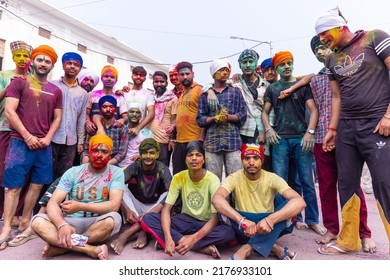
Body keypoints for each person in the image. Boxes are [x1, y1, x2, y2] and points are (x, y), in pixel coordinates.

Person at [315, 7, 390, 255]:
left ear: (340, 27)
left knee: (384, 182)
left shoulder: (374, 38)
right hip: (347, 127)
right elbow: (337, 97)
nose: (323, 39)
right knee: (346, 183)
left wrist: (389, 115)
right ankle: (348, 240)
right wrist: (333, 129)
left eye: (325, 33)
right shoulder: (331, 59)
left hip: (377, 124)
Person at [309, 35, 375, 250]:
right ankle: (332, 229)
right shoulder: (315, 80)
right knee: (326, 187)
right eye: (316, 49)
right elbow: (316, 110)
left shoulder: (350, 71)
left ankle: (363, 232)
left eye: (323, 47)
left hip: (347, 136)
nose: (320, 52)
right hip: (322, 138)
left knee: (351, 185)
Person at [0, 45, 62, 250]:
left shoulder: (56, 90)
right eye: (40, 59)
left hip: (43, 146)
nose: (43, 64)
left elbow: (57, 118)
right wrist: (27, 137)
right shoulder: (19, 83)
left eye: (47, 61)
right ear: (33, 61)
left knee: (36, 185)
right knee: (13, 187)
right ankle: (6, 228)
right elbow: (9, 111)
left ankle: (25, 222)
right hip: (20, 143)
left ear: (52, 65)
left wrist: (48, 137)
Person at [31, 134, 125, 260]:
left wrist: (80, 206)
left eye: (104, 151)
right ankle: (89, 249)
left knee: (113, 219)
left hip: (97, 223)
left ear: (110, 155)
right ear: (89, 152)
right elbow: (53, 202)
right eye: (95, 150)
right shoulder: (73, 172)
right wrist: (62, 225)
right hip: (69, 222)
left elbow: (114, 205)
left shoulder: (116, 173)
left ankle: (62, 247)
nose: (99, 155)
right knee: (37, 221)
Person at [261, 51, 324, 236]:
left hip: (301, 138)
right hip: (279, 139)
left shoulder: (302, 86)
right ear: (277, 68)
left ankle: (313, 220)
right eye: (282, 64)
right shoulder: (273, 89)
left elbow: (314, 110)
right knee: (281, 182)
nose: (286, 67)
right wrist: (268, 129)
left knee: (307, 180)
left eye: (289, 63)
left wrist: (310, 133)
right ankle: (290, 218)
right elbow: (264, 112)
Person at [141, 141, 235, 259]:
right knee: (149, 218)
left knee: (228, 233)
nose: (194, 159)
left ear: (204, 160)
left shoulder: (213, 180)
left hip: (205, 222)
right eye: (190, 155)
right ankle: (193, 245)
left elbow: (215, 217)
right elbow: (166, 209)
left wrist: (193, 238)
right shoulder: (179, 177)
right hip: (184, 220)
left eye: (198, 155)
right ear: (185, 159)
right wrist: (168, 237)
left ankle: (180, 242)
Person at [212, 144, 306, 260]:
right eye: (247, 158)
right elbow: (216, 198)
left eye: (255, 158)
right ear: (242, 161)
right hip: (243, 224)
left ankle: (246, 248)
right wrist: (241, 220)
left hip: (268, 225)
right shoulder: (234, 177)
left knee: (291, 207)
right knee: (221, 210)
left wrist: (270, 220)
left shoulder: (272, 178)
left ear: (261, 161)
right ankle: (272, 246)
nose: (251, 162)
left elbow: (300, 202)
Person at [110, 138, 172, 254]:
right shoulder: (135, 166)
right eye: (144, 153)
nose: (148, 156)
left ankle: (128, 233)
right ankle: (144, 227)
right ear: (140, 154)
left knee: (170, 194)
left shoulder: (162, 168)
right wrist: (126, 209)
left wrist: (151, 213)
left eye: (152, 153)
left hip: (155, 208)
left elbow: (172, 194)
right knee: (118, 187)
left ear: (157, 154)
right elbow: (116, 185)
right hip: (136, 207)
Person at [197, 58, 247, 181]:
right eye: (221, 70)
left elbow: (243, 114)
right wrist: (214, 119)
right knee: (213, 181)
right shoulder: (205, 95)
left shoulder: (236, 92)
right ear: (213, 73)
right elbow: (200, 119)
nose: (225, 73)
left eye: (226, 70)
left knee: (235, 181)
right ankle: (216, 201)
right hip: (212, 144)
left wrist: (228, 117)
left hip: (233, 143)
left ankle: (234, 201)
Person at [0, 40, 32, 223]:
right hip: (4, 128)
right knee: (2, 171)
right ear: (13, 58)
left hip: (24, 132)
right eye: (18, 56)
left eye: (25, 56)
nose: (22, 59)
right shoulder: (4, 75)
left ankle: (15, 215)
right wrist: (9, 86)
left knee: (22, 172)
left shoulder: (34, 79)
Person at [50, 52, 88, 179]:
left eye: (76, 64)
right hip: (51, 138)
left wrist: (80, 141)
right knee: (45, 173)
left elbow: (81, 119)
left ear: (80, 69)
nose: (72, 66)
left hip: (71, 141)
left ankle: (58, 199)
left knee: (63, 176)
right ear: (63, 65)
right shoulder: (52, 86)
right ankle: (41, 199)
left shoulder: (83, 93)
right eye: (69, 63)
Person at [171, 61, 203, 175]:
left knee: (194, 176)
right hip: (180, 141)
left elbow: (205, 114)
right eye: (182, 74)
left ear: (193, 74)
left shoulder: (199, 90)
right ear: (178, 77)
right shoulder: (181, 94)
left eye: (187, 74)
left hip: (194, 140)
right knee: (178, 176)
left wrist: (201, 139)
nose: (185, 76)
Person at [82, 95, 128, 166]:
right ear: (100, 108)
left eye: (111, 106)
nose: (108, 109)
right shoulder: (94, 126)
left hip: (111, 163)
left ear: (115, 108)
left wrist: (105, 165)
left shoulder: (122, 128)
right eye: (105, 107)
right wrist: (85, 162)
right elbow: (86, 149)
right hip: (93, 162)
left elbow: (122, 153)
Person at [234, 49, 268, 145]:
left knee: (264, 159)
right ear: (240, 65)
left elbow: (271, 112)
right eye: (244, 62)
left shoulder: (266, 85)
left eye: (251, 61)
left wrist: (265, 132)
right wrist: (210, 91)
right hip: (243, 131)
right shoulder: (235, 85)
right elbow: (214, 85)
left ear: (256, 63)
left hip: (263, 129)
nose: (248, 65)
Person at [86, 65, 128, 135]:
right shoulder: (92, 95)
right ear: (101, 79)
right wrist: (87, 122)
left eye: (112, 77)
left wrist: (122, 120)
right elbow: (86, 113)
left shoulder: (120, 98)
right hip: (93, 133)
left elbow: (126, 117)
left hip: (113, 135)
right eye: (106, 76)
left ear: (116, 80)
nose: (109, 79)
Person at [147, 71, 177, 166]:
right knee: (147, 171)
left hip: (163, 142)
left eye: (162, 81)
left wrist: (172, 140)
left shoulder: (173, 99)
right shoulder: (150, 97)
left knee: (161, 171)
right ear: (153, 83)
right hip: (148, 139)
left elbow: (174, 120)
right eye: (156, 82)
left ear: (166, 83)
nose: (159, 84)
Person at [119, 102, 154, 168]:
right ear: (127, 114)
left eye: (138, 112)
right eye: (132, 112)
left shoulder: (147, 133)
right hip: (120, 166)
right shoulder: (121, 130)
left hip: (138, 167)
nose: (134, 114)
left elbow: (151, 151)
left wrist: (140, 156)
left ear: (141, 116)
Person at [123, 66, 155, 137]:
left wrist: (138, 128)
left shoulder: (149, 94)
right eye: (136, 74)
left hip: (140, 133)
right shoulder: (125, 94)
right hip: (124, 132)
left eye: (141, 75)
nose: (138, 77)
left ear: (145, 78)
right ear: (132, 76)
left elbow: (151, 114)